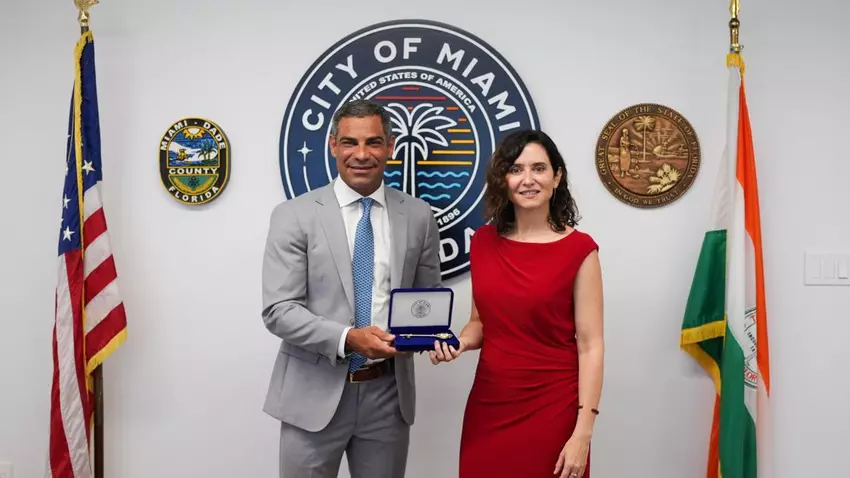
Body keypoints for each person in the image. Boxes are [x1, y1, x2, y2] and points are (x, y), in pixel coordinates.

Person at [261, 99, 442, 478]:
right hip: (312, 395)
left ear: (390, 147)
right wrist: (349, 339)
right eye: (349, 142)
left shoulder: (419, 215)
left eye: (373, 142)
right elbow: (279, 311)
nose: (361, 154)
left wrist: (431, 336)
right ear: (333, 145)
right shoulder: (294, 215)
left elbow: (426, 300)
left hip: (388, 397)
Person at [430, 129, 605, 478]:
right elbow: (480, 322)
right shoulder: (482, 242)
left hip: (554, 407)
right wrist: (459, 343)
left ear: (557, 177)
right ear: (504, 180)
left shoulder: (580, 250)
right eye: (516, 169)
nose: (528, 179)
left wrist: (583, 433)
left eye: (538, 168)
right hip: (490, 405)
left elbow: (591, 346)